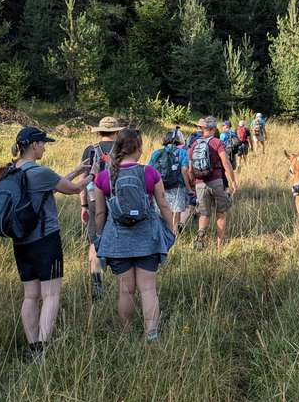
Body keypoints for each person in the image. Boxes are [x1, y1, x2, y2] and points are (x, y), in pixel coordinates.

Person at [11, 126, 90, 358]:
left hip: (21, 241)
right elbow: (73, 190)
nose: (45, 147)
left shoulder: (11, 171)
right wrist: (92, 175)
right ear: (34, 145)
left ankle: (32, 345)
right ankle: (43, 349)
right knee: (51, 294)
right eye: (43, 143)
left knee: (30, 296)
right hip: (45, 240)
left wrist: (76, 169)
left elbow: (53, 185)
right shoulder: (39, 172)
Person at [94, 128, 176, 339]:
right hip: (147, 238)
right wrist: (171, 228)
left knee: (125, 290)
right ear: (138, 148)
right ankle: (152, 334)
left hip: (118, 241)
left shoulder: (104, 177)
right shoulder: (150, 173)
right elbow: (163, 205)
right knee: (148, 289)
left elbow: (100, 212)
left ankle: (125, 333)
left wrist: (100, 237)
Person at [79, 116, 125, 300]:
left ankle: (97, 284)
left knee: (94, 240)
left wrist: (83, 204)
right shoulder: (122, 148)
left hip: (92, 198)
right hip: (117, 199)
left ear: (99, 131)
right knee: (120, 237)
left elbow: (83, 180)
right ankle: (123, 281)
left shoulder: (90, 150)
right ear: (116, 132)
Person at [187, 117, 238, 251]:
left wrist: (193, 184)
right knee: (220, 213)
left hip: (200, 183)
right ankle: (219, 247)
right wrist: (233, 181)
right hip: (216, 181)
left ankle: (200, 237)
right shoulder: (217, 142)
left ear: (203, 128)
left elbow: (190, 170)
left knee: (204, 213)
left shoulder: (194, 144)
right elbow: (226, 163)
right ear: (214, 129)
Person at [148, 127, 193, 231]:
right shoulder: (182, 153)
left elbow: (150, 170)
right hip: (177, 187)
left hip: (159, 187)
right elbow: (184, 171)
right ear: (178, 140)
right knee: (175, 215)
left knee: (160, 212)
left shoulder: (156, 153)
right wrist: (189, 188)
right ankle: (174, 235)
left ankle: (161, 235)